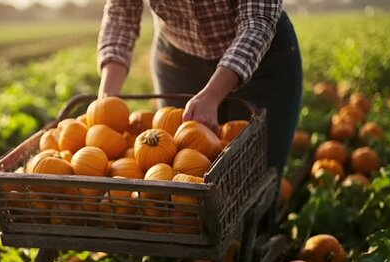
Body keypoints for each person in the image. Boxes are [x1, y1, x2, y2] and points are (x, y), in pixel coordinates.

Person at [97, 0, 302, 175]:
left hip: (261, 61)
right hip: (178, 60)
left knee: (254, 178)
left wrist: (211, 96)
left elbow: (258, 21)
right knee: (180, 179)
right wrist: (106, 101)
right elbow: (121, 16)